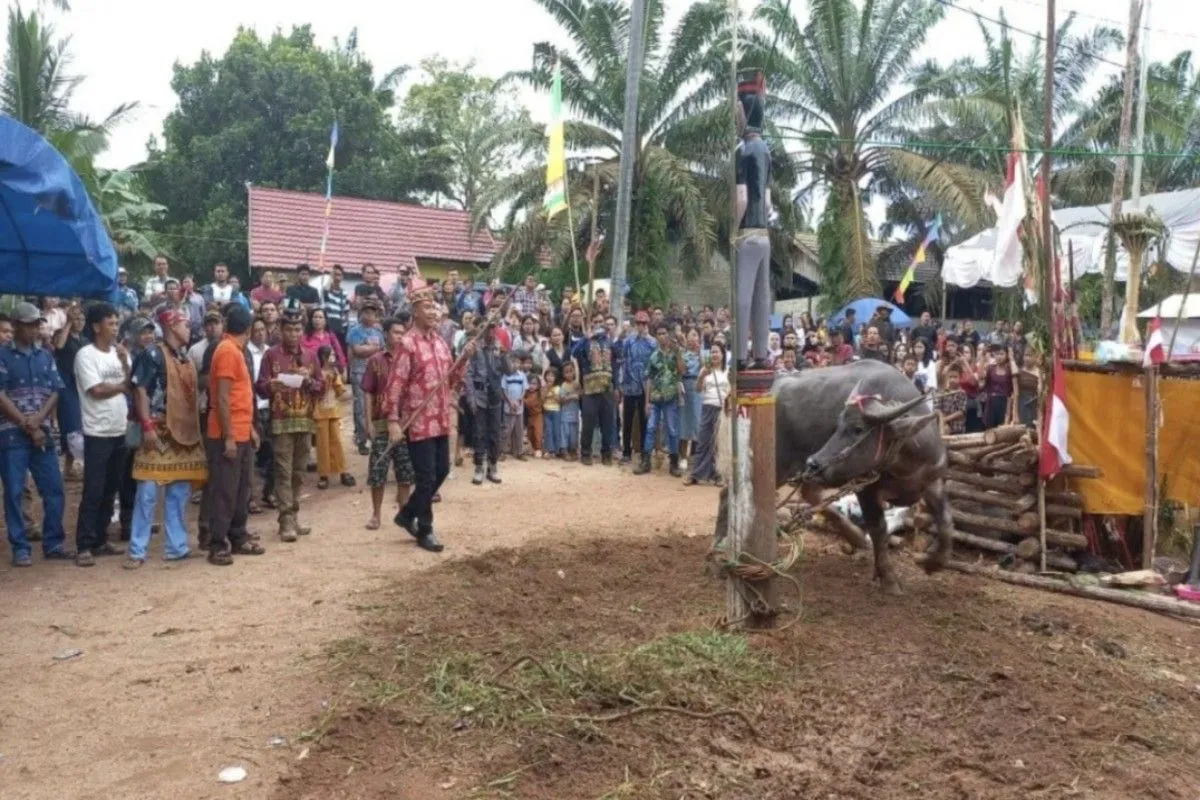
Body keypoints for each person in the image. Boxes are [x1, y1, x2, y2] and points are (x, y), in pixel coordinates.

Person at [385, 278, 475, 552]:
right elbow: (395, 384)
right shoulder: (408, 343)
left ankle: (406, 513)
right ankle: (425, 529)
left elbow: (452, 380)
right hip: (419, 421)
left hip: (441, 419)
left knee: (442, 470)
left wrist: (465, 358)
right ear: (415, 311)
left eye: (435, 307)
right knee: (425, 478)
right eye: (427, 307)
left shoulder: (440, 343)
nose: (434, 312)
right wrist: (393, 420)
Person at [125, 309, 210, 567]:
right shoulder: (151, 354)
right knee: (147, 492)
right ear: (172, 326)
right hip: (158, 431)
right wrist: (147, 426)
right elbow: (140, 390)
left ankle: (177, 547)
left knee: (179, 492)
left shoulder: (184, 357)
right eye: (185, 324)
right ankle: (137, 550)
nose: (189, 329)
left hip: (182, 433)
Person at [0, 302, 72, 566]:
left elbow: (56, 390)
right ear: (16, 325)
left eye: (36, 325)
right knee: (14, 491)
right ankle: (20, 547)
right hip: (12, 434)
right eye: (29, 325)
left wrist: (38, 420)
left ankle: (53, 543)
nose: (34, 330)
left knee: (54, 489)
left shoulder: (45, 355)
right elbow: (0, 395)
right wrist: (27, 424)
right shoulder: (2, 355)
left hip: (42, 432)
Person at [256, 302, 324, 542]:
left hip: (305, 420)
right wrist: (271, 386)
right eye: (289, 330)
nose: (293, 334)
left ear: (302, 331)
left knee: (299, 472)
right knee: (283, 471)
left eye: (297, 330)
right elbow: (260, 387)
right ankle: (285, 520)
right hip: (281, 420)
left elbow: (322, 386)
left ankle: (293, 515)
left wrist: (309, 382)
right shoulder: (271, 355)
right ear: (281, 330)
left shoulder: (311, 356)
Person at [72, 302, 132, 567]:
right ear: (96, 327)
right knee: (94, 490)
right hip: (97, 430)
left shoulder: (120, 353)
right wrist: (122, 386)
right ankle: (84, 544)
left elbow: (131, 383)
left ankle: (100, 539)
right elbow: (95, 390)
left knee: (111, 488)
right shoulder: (85, 355)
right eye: (110, 323)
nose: (115, 328)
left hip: (120, 428)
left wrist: (125, 364)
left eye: (117, 323)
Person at [205, 305, 264, 565]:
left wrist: (248, 429)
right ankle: (218, 543)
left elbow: (239, 398)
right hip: (226, 433)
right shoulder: (228, 351)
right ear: (248, 330)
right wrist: (229, 436)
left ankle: (237, 536)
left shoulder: (233, 350)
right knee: (225, 490)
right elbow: (222, 398)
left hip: (240, 430)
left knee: (240, 489)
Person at [733, 69, 773, 371]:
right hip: (765, 233)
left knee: (743, 298)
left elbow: (742, 197)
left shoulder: (743, 150)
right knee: (762, 297)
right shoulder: (766, 150)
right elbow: (767, 202)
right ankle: (761, 354)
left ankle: (740, 356)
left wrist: (733, 230)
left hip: (747, 232)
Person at [362, 316, 415, 531]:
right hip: (382, 422)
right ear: (386, 334)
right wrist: (368, 422)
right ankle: (376, 514)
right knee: (378, 471)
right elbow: (367, 392)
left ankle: (404, 511)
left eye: (403, 333)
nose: (400, 337)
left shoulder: (410, 359)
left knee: (405, 471)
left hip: (405, 424)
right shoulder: (375, 361)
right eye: (396, 332)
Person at [635, 322, 684, 477]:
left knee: (672, 429)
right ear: (656, 336)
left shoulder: (675, 353)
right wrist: (646, 402)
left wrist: (678, 353)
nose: (662, 336)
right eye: (659, 334)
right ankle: (645, 461)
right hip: (655, 399)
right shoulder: (654, 356)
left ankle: (674, 463)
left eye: (664, 333)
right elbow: (648, 378)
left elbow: (682, 370)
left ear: (668, 335)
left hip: (671, 397)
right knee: (650, 428)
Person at [571, 315, 615, 465]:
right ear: (591, 324)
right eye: (595, 322)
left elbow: (616, 364)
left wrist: (617, 386)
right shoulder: (586, 341)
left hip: (607, 388)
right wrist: (586, 338)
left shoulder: (609, 341)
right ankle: (585, 453)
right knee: (588, 423)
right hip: (590, 389)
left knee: (607, 423)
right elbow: (574, 353)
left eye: (600, 322)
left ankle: (607, 454)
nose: (598, 324)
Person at [685, 343, 729, 486]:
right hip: (707, 407)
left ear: (722, 355)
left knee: (719, 444)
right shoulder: (705, 370)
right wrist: (701, 376)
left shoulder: (728, 371)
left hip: (722, 409)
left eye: (717, 352)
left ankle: (718, 475)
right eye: (712, 352)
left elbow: (731, 390)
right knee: (703, 441)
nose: (714, 355)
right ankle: (695, 474)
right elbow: (698, 389)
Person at [466, 319, 504, 485]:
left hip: (495, 396)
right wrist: (471, 397)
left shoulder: (499, 348)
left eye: (492, 329)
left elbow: (509, 370)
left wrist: (503, 355)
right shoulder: (474, 348)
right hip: (480, 396)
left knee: (495, 433)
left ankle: (493, 465)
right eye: (486, 328)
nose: (489, 332)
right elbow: (468, 374)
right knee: (479, 433)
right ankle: (479, 466)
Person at [346, 300, 385, 456]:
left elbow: (381, 351)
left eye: (373, 313)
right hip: (359, 372)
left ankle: (374, 436)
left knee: (375, 405)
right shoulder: (354, 331)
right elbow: (357, 351)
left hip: (376, 372)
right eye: (366, 312)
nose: (369, 316)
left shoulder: (378, 333)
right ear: (361, 314)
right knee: (361, 408)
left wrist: (367, 348)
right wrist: (373, 348)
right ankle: (362, 439)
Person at [313, 344, 354, 490]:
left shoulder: (334, 372)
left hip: (333, 411)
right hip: (320, 412)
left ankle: (341, 470)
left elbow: (340, 390)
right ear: (323, 357)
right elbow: (314, 391)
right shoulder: (316, 373)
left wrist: (346, 392)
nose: (334, 357)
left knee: (337, 442)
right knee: (322, 445)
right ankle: (323, 474)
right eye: (331, 355)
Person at [618, 311, 656, 465]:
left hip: (645, 386)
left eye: (644, 323)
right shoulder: (629, 340)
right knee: (627, 420)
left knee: (644, 421)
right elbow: (622, 358)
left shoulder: (652, 342)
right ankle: (626, 451)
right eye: (639, 323)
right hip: (629, 385)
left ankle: (644, 452)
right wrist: (621, 383)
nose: (641, 326)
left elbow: (654, 364)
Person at [501, 352, 528, 460]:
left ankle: (519, 452)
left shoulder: (522, 375)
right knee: (507, 430)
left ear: (520, 363)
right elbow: (503, 390)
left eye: (517, 362)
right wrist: (510, 402)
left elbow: (524, 389)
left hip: (519, 407)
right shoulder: (505, 376)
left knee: (519, 430)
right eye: (512, 362)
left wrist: (519, 400)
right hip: (509, 406)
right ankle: (502, 451)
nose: (514, 364)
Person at [321, 264, 352, 351]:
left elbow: (346, 312)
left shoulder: (344, 293)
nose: (337, 277)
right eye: (335, 274)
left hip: (340, 328)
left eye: (339, 275)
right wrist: (330, 277)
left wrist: (346, 327)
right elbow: (325, 288)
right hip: (328, 326)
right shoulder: (327, 290)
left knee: (340, 351)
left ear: (342, 277)